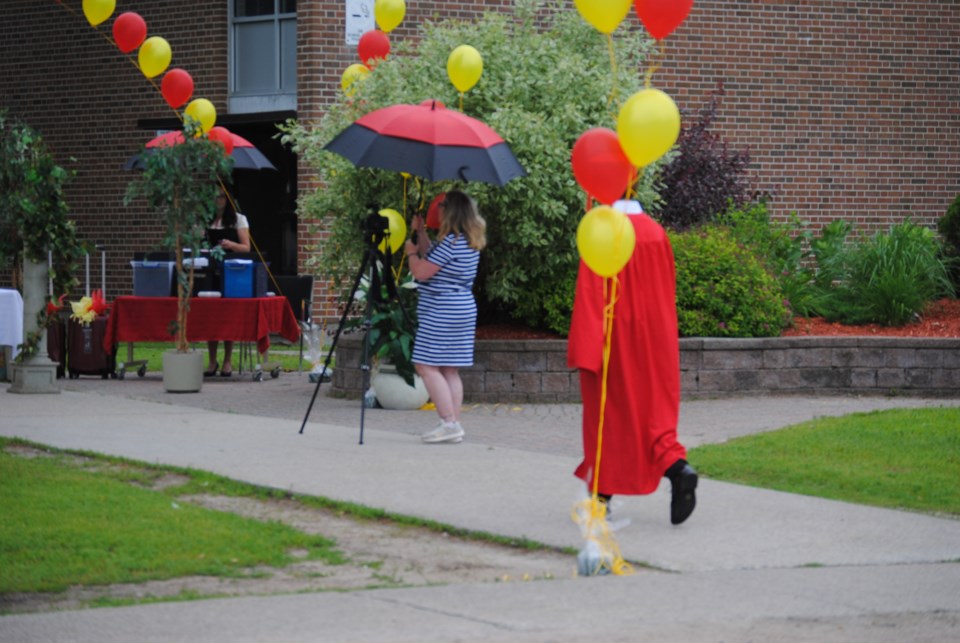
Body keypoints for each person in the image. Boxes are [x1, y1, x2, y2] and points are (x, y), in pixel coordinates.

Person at [567, 200, 698, 525]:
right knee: (653, 417)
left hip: (613, 338)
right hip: (654, 338)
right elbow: (667, 287)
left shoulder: (603, 232)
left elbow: (591, 293)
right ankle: (678, 468)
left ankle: (599, 501)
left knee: (607, 419)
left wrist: (585, 349)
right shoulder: (656, 233)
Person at [403, 190, 486, 444]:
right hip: (462, 307)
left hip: (442, 309)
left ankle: (448, 422)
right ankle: (454, 424)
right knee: (450, 369)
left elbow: (421, 272)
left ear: (451, 212)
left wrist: (410, 253)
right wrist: (421, 234)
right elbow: (434, 256)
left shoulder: (451, 243)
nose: (437, 211)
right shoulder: (466, 242)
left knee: (425, 365)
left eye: (441, 207)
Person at [204, 188, 251, 377]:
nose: (218, 200)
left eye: (222, 196)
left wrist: (231, 245)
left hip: (231, 272)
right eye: (215, 196)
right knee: (210, 316)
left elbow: (246, 248)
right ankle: (212, 359)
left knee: (227, 315)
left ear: (228, 198)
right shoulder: (207, 220)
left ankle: (228, 360)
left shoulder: (239, 219)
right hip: (210, 271)